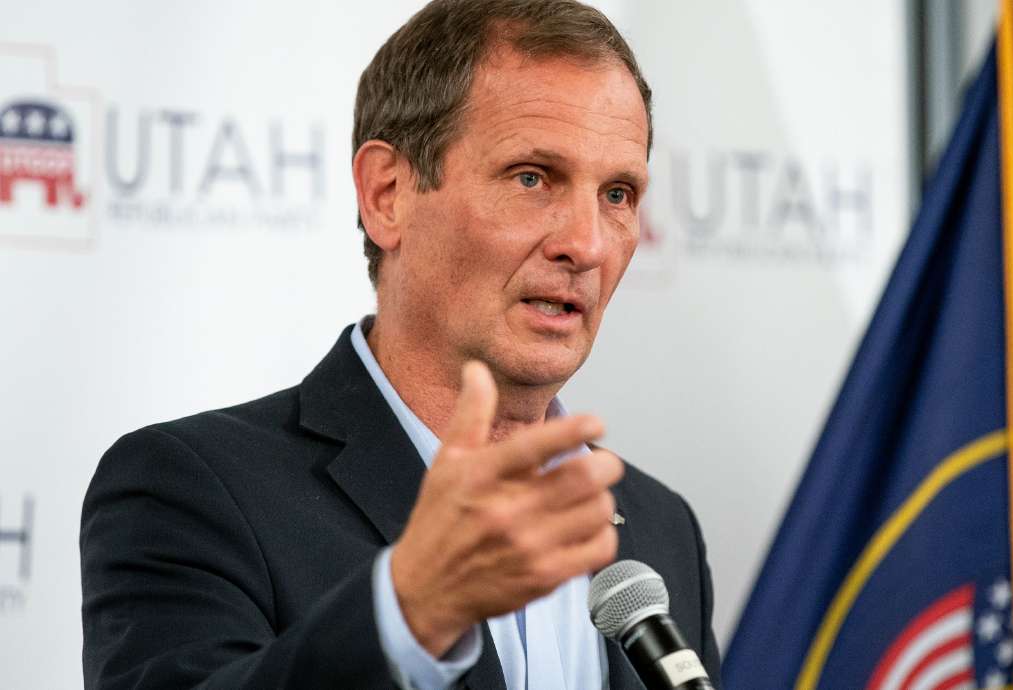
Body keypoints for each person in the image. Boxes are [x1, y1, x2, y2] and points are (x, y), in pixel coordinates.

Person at [79, 1, 722, 688]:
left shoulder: (658, 527)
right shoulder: (191, 489)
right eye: (532, 177)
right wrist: (409, 613)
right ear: (387, 194)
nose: (587, 244)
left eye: (618, 193)